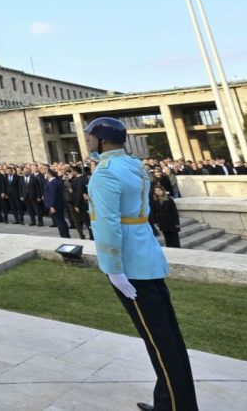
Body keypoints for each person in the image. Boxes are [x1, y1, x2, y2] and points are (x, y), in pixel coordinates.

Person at [85, 117, 197, 410]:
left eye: (91, 137)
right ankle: (168, 401)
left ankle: (175, 407)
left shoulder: (105, 174)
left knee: (160, 342)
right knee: (167, 336)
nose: (88, 141)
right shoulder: (134, 165)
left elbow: (107, 224)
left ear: (102, 140)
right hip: (147, 254)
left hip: (130, 265)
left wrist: (113, 268)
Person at [44, 168, 70, 238]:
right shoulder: (55, 181)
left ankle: (65, 236)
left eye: (46, 173)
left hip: (56, 206)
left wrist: (52, 206)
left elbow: (53, 195)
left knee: (60, 221)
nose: (45, 174)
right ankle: (65, 235)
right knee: (60, 221)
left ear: (49, 174)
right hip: (58, 204)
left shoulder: (53, 182)